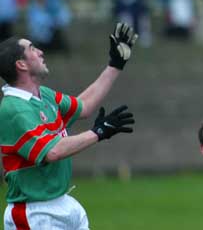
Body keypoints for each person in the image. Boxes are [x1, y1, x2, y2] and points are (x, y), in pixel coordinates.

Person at [0, 22, 138, 229]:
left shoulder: (42, 94)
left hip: (62, 202)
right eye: (32, 49)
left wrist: (115, 65)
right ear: (21, 64)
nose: (40, 52)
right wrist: (98, 132)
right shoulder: (14, 109)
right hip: (34, 212)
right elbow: (52, 151)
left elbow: (84, 106)